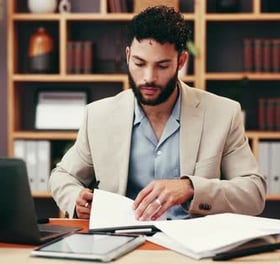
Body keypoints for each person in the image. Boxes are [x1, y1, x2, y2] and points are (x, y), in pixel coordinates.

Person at [49, 5, 266, 221]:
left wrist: (191, 187)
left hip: (192, 248)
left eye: (161, 66)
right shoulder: (98, 116)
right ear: (127, 56)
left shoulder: (223, 114)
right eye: (139, 63)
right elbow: (62, 177)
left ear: (181, 61)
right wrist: (76, 199)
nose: (148, 77)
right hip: (121, 243)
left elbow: (253, 192)